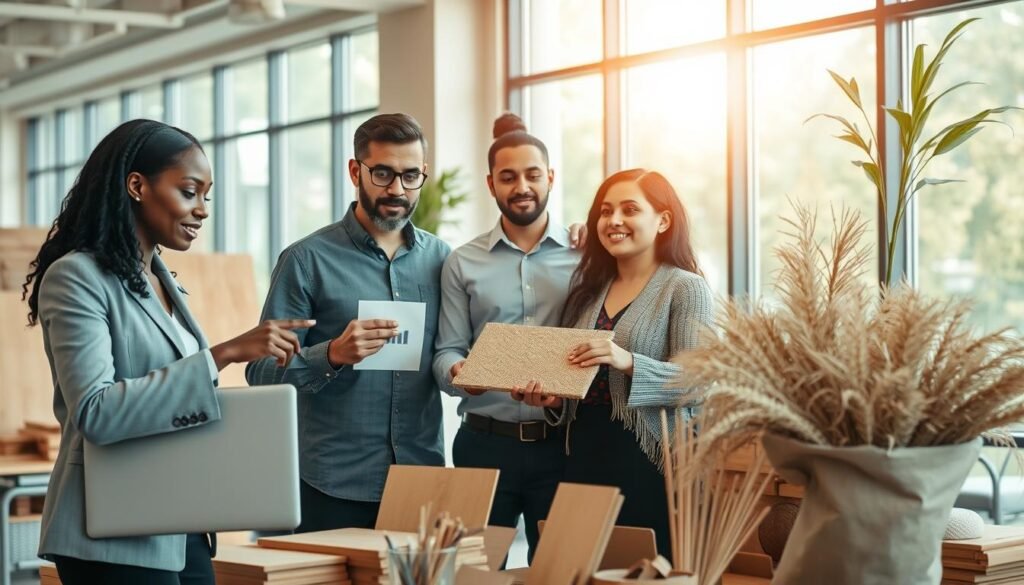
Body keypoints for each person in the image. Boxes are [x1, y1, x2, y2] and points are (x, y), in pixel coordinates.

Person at [24, 119, 312, 585]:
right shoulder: (76, 277)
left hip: (179, 522)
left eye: (207, 197)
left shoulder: (160, 278)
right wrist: (222, 354)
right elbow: (96, 411)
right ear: (137, 186)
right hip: (111, 529)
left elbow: (174, 397)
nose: (201, 210)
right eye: (189, 191)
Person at [245, 113, 450, 533]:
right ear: (355, 170)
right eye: (383, 173)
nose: (397, 189)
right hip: (330, 484)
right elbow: (260, 372)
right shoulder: (306, 261)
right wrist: (332, 354)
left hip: (419, 479)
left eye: (410, 176)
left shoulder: (443, 260)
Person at [515, 169, 714, 558]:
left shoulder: (686, 287)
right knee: (583, 568)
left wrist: (629, 362)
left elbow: (698, 383)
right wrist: (555, 402)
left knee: (647, 571)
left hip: (651, 461)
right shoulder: (589, 292)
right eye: (605, 212)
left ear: (663, 220)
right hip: (584, 455)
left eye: (629, 209)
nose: (614, 221)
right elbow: (581, 384)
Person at [432, 113, 580, 561]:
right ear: (491, 183)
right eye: (508, 177)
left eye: (533, 175)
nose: (522, 187)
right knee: (475, 570)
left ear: (550, 177)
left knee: (558, 570)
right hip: (483, 444)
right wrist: (458, 373)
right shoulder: (462, 262)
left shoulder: (587, 256)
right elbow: (447, 350)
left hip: (563, 447)